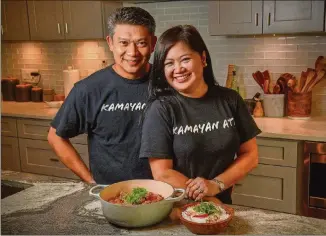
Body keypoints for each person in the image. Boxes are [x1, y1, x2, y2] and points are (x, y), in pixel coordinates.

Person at [139, 25, 261, 204]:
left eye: (185, 59)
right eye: (169, 63)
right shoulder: (162, 109)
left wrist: (216, 185)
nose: (178, 69)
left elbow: (251, 155)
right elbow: (163, 173)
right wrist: (208, 200)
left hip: (221, 205)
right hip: (178, 209)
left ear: (203, 58)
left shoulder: (230, 99)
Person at [47, 7, 157, 184]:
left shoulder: (168, 82)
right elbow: (55, 136)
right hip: (110, 196)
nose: (132, 52)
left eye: (141, 43)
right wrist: (90, 181)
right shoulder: (89, 89)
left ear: (153, 43)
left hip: (163, 192)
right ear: (110, 42)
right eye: (123, 43)